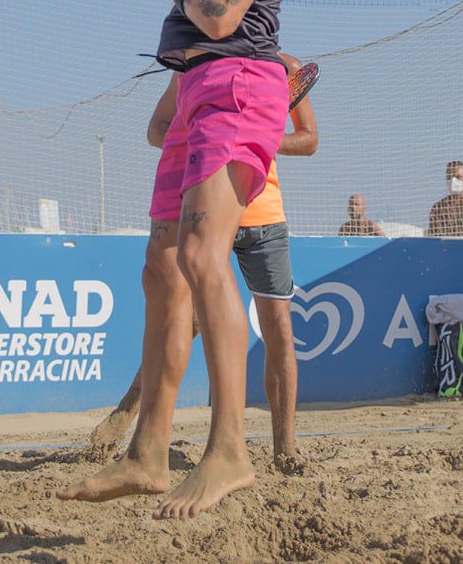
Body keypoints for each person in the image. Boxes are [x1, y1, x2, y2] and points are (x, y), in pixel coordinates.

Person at [16, 0, 314, 519]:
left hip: (240, 85)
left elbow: (222, 14)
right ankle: (148, 453)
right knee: (161, 263)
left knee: (202, 253)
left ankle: (229, 450)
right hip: (192, 90)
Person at [91, 54, 321, 469]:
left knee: (280, 330)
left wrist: (256, 137)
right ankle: (127, 412)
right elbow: (156, 129)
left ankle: (285, 446)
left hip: (262, 214)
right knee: (178, 319)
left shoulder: (284, 67)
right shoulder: (191, 67)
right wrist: (205, 138)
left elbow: (309, 139)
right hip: (206, 207)